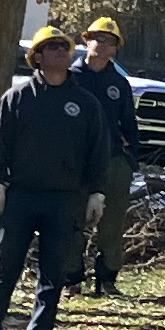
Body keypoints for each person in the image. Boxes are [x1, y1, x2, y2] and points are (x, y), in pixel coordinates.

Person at [0, 25, 109, 330]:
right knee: (4, 267)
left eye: (63, 47)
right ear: (36, 58)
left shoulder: (85, 103)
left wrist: (96, 193)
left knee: (53, 271)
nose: (60, 52)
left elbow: (98, 151)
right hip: (19, 197)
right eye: (51, 48)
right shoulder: (17, 98)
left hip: (64, 199)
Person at [63, 16, 141, 295]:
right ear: (86, 41)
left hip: (113, 162)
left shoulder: (119, 84)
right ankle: (72, 279)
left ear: (115, 49)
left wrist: (131, 158)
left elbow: (130, 125)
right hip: (75, 162)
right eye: (98, 38)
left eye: (109, 41)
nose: (102, 44)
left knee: (111, 223)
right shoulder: (69, 78)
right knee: (71, 220)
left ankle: (107, 279)